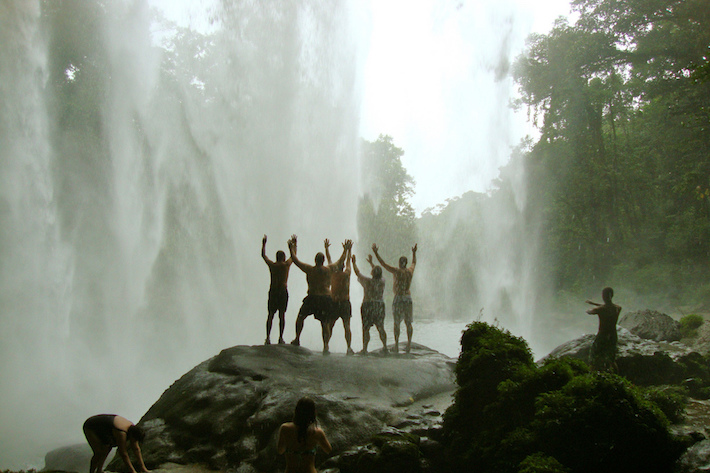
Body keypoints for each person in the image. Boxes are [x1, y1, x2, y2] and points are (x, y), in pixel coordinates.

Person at [289, 236, 350, 353]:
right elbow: (341, 261)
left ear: (315, 260)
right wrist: (346, 250)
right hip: (325, 298)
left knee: (301, 317)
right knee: (325, 322)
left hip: (312, 297)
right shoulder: (329, 269)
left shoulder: (310, 269)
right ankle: (326, 346)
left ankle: (297, 338)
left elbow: (295, 261)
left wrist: (292, 248)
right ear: (323, 261)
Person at [372, 243, 417, 353]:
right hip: (408, 298)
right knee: (408, 323)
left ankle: (396, 345)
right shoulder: (410, 271)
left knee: (396, 323)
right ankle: (409, 345)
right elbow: (414, 262)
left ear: (399, 263)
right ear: (405, 263)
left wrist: (376, 253)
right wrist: (414, 253)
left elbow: (383, 264)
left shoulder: (396, 271)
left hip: (399, 298)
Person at [277, 397, 332, 473]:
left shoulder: (285, 428)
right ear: (313, 413)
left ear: (296, 411)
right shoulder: (317, 432)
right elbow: (328, 450)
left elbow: (280, 450)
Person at [83, 414, 149, 473]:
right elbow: (123, 453)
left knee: (107, 448)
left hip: (105, 426)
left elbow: (136, 449)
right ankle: (91, 471)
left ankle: (99, 470)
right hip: (90, 426)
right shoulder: (121, 433)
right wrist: (132, 471)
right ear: (131, 435)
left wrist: (143, 468)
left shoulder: (133, 430)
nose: (134, 442)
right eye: (134, 440)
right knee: (99, 452)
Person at [352, 254, 388, 354]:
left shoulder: (367, 282)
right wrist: (372, 264)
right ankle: (385, 347)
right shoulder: (382, 282)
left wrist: (354, 263)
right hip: (379, 305)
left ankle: (364, 349)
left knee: (366, 328)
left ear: (372, 273)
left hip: (368, 305)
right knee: (380, 327)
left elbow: (357, 273)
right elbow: (378, 273)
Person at [262, 234, 293, 345]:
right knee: (282, 315)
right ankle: (280, 338)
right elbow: (293, 257)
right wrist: (293, 247)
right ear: (283, 258)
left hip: (274, 291)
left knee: (270, 315)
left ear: (276, 257)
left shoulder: (273, 265)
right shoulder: (286, 265)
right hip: (282, 292)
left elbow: (264, 256)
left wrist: (264, 244)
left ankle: (268, 338)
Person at [325, 239, 354, 355]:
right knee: (346, 326)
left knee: (330, 325)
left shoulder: (332, 274)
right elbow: (348, 262)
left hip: (335, 302)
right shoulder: (347, 274)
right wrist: (349, 251)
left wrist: (326, 249)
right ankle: (348, 348)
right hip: (344, 302)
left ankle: (326, 346)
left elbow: (329, 260)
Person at [585, 286, 622, 371]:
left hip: (603, 335)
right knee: (611, 359)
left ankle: (592, 374)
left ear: (603, 296)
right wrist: (594, 303)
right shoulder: (617, 308)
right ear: (612, 296)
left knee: (594, 356)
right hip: (613, 335)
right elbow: (608, 306)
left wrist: (591, 308)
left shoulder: (600, 309)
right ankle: (616, 376)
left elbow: (590, 312)